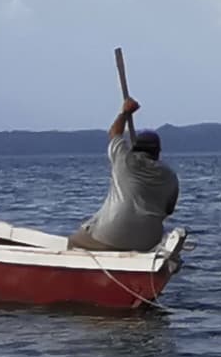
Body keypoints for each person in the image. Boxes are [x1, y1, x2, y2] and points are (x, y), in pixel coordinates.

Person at [73, 92, 179, 251]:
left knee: (73, 242)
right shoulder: (170, 176)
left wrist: (125, 112)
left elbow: (114, 133)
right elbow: (168, 210)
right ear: (158, 152)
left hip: (109, 235)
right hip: (148, 241)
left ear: (135, 147)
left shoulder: (123, 159)